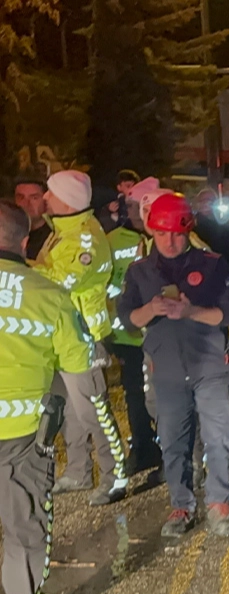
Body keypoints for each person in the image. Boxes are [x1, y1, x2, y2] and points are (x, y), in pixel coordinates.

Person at [118, 193, 229, 537]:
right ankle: (181, 505)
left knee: (219, 434)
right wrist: (151, 310)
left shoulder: (213, 264)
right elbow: (128, 318)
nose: (169, 242)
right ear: (150, 231)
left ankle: (219, 502)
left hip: (211, 364)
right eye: (161, 234)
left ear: (189, 229)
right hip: (167, 369)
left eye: (176, 233)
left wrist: (190, 312)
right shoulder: (139, 271)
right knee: (173, 440)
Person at [0, 200, 94, 594]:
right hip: (22, 438)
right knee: (25, 524)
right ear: (24, 241)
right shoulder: (48, 295)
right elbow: (78, 369)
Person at [31, 170, 128, 506]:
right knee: (68, 410)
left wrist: (20, 268)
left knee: (94, 413)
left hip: (82, 338)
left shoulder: (84, 238)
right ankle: (78, 471)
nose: (45, 198)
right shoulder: (62, 231)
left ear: (68, 200)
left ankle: (116, 476)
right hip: (59, 335)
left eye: (51, 193)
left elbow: (62, 280)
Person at [105, 213, 161, 472]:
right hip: (129, 335)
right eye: (131, 205)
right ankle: (144, 447)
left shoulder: (164, 238)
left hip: (161, 333)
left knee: (166, 394)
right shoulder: (112, 240)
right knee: (136, 394)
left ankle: (174, 449)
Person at [194, 188, 229, 288]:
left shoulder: (226, 226)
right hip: (202, 280)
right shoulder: (192, 228)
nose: (206, 204)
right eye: (203, 201)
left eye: (210, 200)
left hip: (227, 276)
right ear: (198, 204)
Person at [13, 179, 51, 261]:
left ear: (46, 201)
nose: (26, 203)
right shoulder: (7, 231)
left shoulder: (53, 236)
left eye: (34, 198)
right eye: (21, 197)